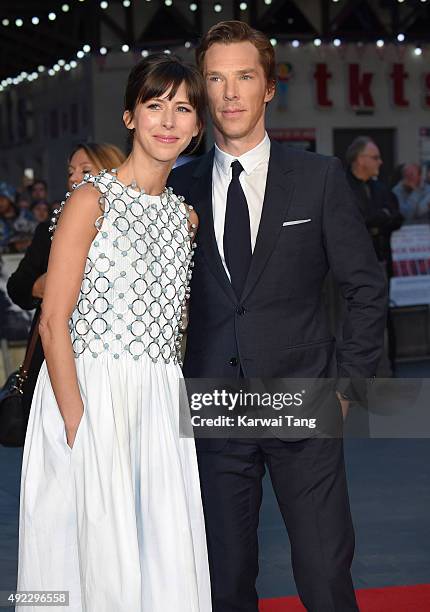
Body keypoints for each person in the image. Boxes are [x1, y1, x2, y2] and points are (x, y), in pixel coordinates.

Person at [168, 21, 387, 612]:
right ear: (204, 89)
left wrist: (347, 387)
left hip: (304, 400)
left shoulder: (318, 179)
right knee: (225, 582)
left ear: (269, 88)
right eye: (216, 78)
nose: (230, 92)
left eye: (244, 76)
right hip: (213, 407)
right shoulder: (176, 188)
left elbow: (365, 288)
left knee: (323, 575)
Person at [18, 53, 211, 612]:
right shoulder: (89, 200)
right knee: (84, 554)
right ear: (130, 116)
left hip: (157, 403)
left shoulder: (187, 219)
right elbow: (54, 320)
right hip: (87, 393)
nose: (168, 121)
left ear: (198, 127)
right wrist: (77, 418)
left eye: (182, 109)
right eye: (155, 106)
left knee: (160, 551)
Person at [7, 143, 126, 425]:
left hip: (117, 360)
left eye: (85, 170)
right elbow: (18, 288)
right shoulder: (50, 227)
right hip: (55, 361)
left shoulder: (129, 227)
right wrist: (51, 283)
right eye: (70, 172)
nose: (73, 178)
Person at [345, 136, 403, 373]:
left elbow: (395, 216)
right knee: (355, 322)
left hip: (380, 262)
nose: (380, 162)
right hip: (351, 270)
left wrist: (377, 222)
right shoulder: (342, 186)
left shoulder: (380, 188)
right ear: (360, 160)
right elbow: (352, 223)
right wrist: (376, 220)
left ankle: (386, 373)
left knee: (383, 320)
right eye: (375, 157)